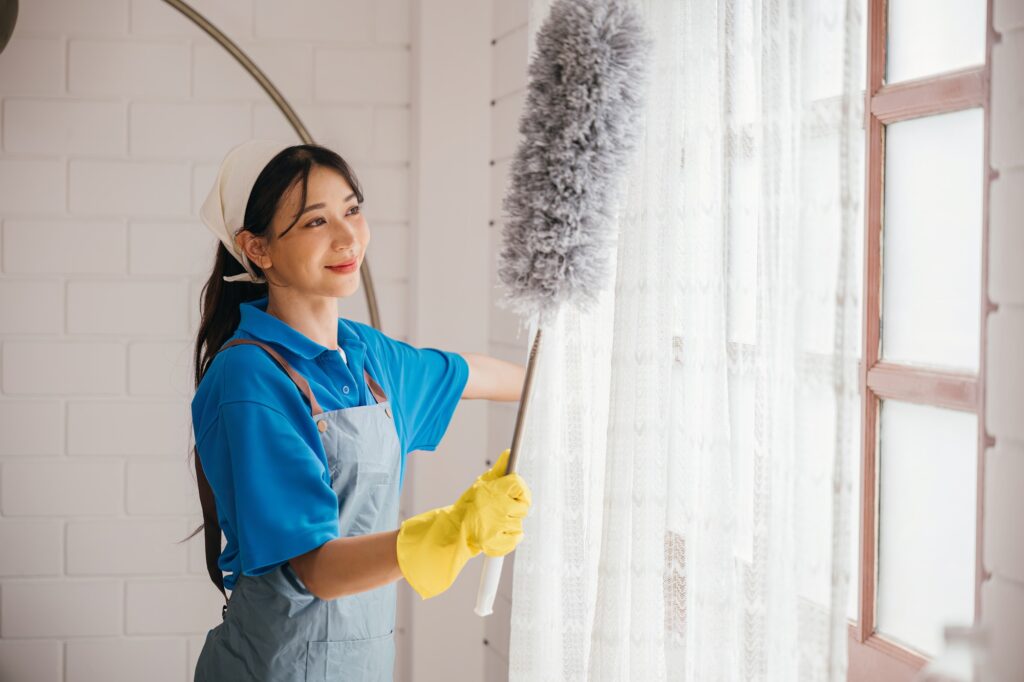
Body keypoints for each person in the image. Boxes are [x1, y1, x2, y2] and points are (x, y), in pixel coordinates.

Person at [186, 139, 531, 681]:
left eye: (352, 209)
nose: (348, 237)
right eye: (315, 222)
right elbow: (317, 568)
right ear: (257, 249)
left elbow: (477, 374)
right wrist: (454, 531)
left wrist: (573, 382)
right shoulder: (249, 377)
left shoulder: (367, 357)